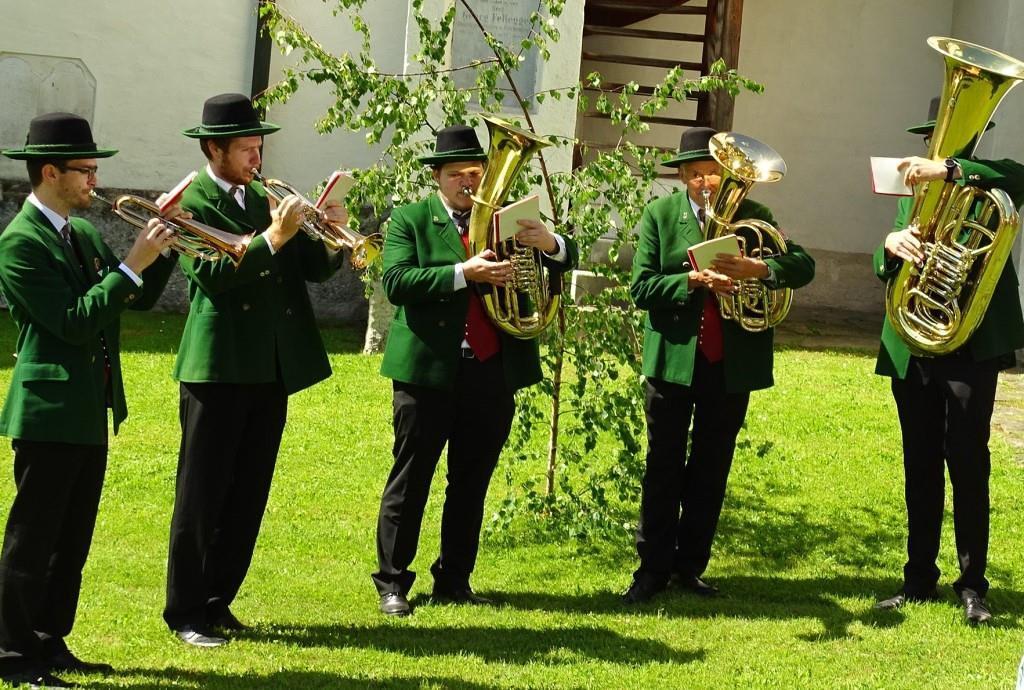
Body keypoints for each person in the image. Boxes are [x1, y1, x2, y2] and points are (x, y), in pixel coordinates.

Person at [0, 112, 178, 687]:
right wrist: (131, 264)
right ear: (50, 172)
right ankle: (12, 653)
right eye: (85, 169)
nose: (94, 180)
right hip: (47, 410)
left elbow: (132, 298)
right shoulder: (18, 242)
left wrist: (166, 249)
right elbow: (72, 322)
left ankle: (50, 640)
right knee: (33, 539)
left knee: (71, 540)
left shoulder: (82, 233)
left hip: (86, 407)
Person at [372, 125, 578, 616]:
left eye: (475, 173)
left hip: (490, 370)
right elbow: (397, 281)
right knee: (412, 477)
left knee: (471, 481)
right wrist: (465, 273)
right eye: (456, 174)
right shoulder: (411, 219)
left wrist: (549, 242)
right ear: (437, 178)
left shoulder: (508, 220)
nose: (468, 182)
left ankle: (455, 578)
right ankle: (393, 583)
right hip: (427, 371)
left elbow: (562, 259)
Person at [163, 93, 345, 647]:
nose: (257, 158)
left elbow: (313, 269)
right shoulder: (189, 202)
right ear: (214, 149)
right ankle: (185, 611)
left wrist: (331, 234)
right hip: (218, 367)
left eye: (259, 146)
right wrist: (274, 236)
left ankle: (218, 601)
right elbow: (215, 277)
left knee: (248, 493)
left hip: (270, 364)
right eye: (246, 148)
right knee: (202, 494)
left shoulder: (264, 196)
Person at [624, 127, 815, 604]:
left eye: (714, 173)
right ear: (682, 177)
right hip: (674, 361)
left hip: (730, 365)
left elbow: (804, 266)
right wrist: (691, 281)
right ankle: (651, 570)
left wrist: (760, 270)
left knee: (711, 468)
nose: (707, 183)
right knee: (663, 466)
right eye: (696, 175)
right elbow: (641, 287)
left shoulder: (756, 216)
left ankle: (690, 567)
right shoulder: (661, 215)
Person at [873, 98, 1024, 625]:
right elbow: (884, 266)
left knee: (968, 463)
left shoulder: (993, 190)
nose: (932, 153)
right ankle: (918, 577)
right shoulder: (914, 199)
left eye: (947, 147)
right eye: (931, 144)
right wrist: (890, 245)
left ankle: (973, 585)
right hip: (915, 344)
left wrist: (955, 171)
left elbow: (1021, 175)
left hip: (968, 349)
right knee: (919, 463)